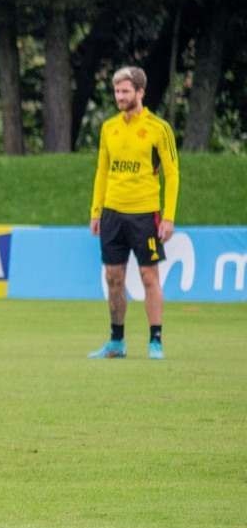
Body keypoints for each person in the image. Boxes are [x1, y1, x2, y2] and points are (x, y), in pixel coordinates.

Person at [87, 65, 179, 360]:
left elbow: (172, 174)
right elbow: (102, 170)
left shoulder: (158, 128)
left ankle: (155, 340)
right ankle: (116, 341)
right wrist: (96, 210)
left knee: (148, 276)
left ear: (140, 92)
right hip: (113, 213)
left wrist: (168, 216)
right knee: (113, 277)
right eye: (117, 91)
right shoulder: (109, 128)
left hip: (144, 214)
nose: (120, 96)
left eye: (126, 91)